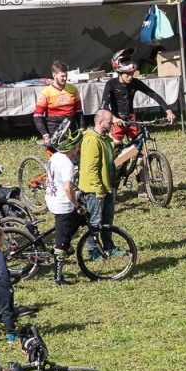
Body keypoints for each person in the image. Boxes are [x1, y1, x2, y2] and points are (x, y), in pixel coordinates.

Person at [101, 50, 178, 146]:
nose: (130, 77)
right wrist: (114, 118)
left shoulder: (135, 82)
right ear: (119, 73)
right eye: (127, 74)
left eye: (132, 74)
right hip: (116, 119)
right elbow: (104, 106)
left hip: (131, 118)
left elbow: (154, 95)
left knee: (138, 147)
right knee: (116, 145)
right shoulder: (111, 84)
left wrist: (168, 111)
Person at [78, 110, 119, 260]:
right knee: (94, 221)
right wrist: (97, 189)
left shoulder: (104, 139)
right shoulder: (91, 141)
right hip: (94, 189)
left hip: (107, 186)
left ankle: (109, 246)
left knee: (107, 220)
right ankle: (93, 250)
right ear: (99, 122)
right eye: (109, 122)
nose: (112, 125)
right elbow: (91, 168)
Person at [45, 128, 83, 286]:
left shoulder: (55, 156)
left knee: (81, 217)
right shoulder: (67, 163)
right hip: (62, 204)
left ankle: (66, 243)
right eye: (78, 146)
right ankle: (58, 277)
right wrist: (76, 203)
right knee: (61, 243)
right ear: (73, 148)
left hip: (51, 198)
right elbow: (68, 188)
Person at [34, 60, 85, 146]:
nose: (65, 78)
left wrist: (82, 128)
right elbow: (37, 116)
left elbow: (79, 111)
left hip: (71, 126)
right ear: (54, 75)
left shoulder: (73, 89)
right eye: (62, 76)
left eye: (66, 76)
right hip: (54, 128)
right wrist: (45, 135)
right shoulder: (45, 93)